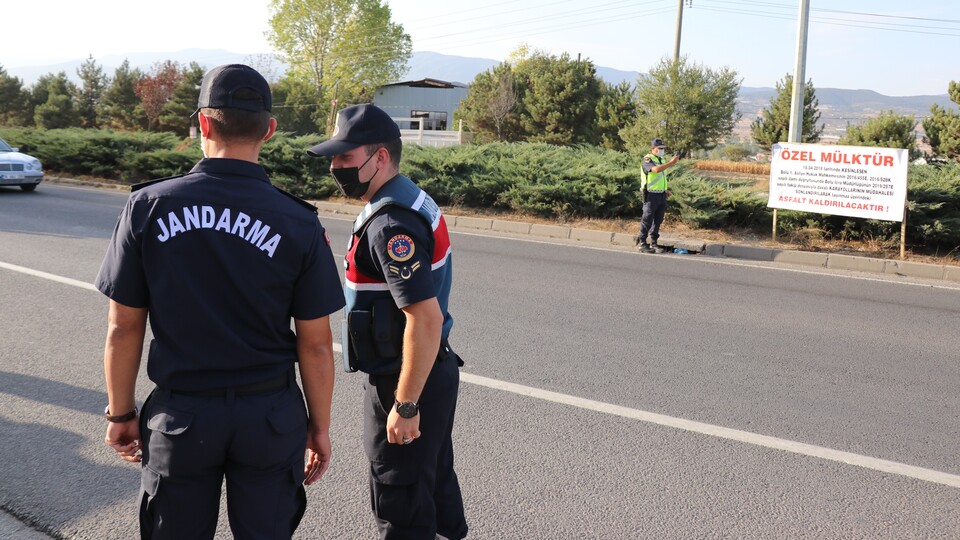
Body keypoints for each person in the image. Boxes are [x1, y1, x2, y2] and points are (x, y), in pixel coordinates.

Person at [96, 64, 345, 539]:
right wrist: (319, 427)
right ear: (269, 130)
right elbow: (315, 343)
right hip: (270, 419)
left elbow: (124, 327)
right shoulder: (298, 222)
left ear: (203, 125)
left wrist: (121, 413)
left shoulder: (149, 207)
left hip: (182, 418)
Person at [306, 103, 468, 540]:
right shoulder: (406, 196)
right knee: (431, 481)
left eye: (345, 157)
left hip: (405, 378)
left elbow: (425, 318)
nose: (336, 167)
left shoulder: (390, 223)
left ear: (380, 157)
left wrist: (406, 404)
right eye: (334, 158)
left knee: (401, 500)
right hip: (428, 371)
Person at [637, 137, 680, 254]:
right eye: (659, 148)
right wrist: (671, 163)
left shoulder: (661, 160)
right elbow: (655, 170)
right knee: (647, 219)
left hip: (661, 195)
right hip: (650, 195)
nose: (662, 150)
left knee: (658, 220)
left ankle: (654, 243)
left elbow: (660, 178)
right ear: (653, 148)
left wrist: (665, 190)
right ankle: (642, 243)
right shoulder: (647, 159)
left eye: (663, 148)